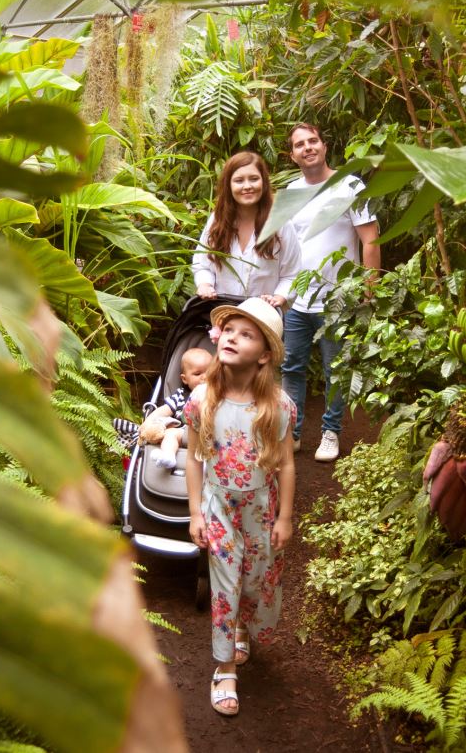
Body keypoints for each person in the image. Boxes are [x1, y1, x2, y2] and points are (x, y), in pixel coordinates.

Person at [183, 297, 298, 717]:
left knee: (255, 580)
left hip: (261, 508)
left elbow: (286, 464)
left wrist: (285, 516)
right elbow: (194, 458)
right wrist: (196, 512)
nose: (232, 337)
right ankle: (225, 666)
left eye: (246, 334)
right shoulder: (201, 400)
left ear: (264, 354)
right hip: (218, 507)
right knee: (226, 585)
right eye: (229, 330)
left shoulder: (277, 406)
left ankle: (242, 629)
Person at [280, 123, 380, 463]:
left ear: (324, 145)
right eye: (299, 144)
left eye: (313, 141)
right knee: (291, 367)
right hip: (296, 301)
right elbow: (283, 247)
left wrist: (368, 291)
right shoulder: (290, 193)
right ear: (292, 155)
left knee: (335, 370)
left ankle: (330, 432)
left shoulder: (350, 184)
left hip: (338, 300)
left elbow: (370, 240)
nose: (307, 147)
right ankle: (291, 434)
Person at [192, 152, 300, 308]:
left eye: (254, 179)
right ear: (228, 185)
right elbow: (202, 265)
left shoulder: (280, 223)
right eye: (239, 180)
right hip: (224, 317)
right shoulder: (217, 221)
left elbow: (292, 274)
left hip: (264, 318)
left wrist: (279, 297)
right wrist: (205, 284)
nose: (247, 186)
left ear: (264, 182)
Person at [112, 347, 213, 464]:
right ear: (185, 379)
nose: (205, 377)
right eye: (197, 374)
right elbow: (164, 410)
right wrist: (146, 424)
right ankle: (168, 455)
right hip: (184, 434)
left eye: (209, 372)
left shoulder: (218, 394)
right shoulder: (181, 395)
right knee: (170, 434)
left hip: (209, 435)